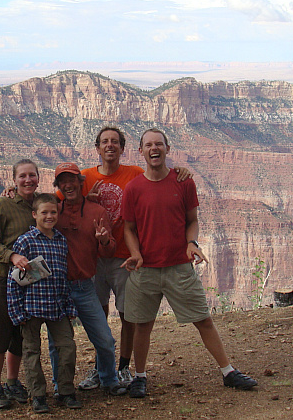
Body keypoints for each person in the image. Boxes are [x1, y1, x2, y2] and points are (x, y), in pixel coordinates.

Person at [121, 128, 258, 398]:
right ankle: (139, 377)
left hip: (178, 267)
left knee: (203, 320)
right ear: (141, 151)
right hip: (145, 268)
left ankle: (228, 372)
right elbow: (128, 228)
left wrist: (191, 243)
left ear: (167, 149)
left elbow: (192, 219)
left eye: (159, 144)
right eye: (148, 145)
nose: (154, 149)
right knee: (142, 324)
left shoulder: (183, 182)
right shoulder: (134, 188)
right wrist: (135, 253)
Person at [75, 127, 192, 389]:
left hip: (125, 258)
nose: (110, 146)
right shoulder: (84, 178)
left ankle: (124, 367)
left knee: (129, 315)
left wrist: (182, 172)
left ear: (123, 148)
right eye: (105, 142)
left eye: (115, 142)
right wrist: (13, 191)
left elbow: (161, 176)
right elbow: (54, 201)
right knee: (98, 315)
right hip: (92, 259)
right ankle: (100, 367)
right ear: (97, 148)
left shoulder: (134, 174)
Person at [48, 163, 128, 396]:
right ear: (59, 186)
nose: (68, 185)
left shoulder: (97, 212)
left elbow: (109, 251)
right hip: (58, 289)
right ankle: (60, 386)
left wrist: (103, 240)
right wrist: (10, 191)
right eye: (63, 181)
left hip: (84, 287)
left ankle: (108, 380)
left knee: (105, 340)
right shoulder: (53, 210)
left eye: (73, 180)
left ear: (80, 183)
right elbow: (31, 204)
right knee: (58, 344)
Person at [7, 193, 80, 413]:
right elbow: (14, 281)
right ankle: (37, 394)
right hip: (31, 308)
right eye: (44, 212)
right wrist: (17, 313)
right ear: (34, 215)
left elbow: (62, 276)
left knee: (67, 348)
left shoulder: (60, 240)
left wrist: (69, 306)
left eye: (53, 212)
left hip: (57, 307)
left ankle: (65, 391)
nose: (49, 216)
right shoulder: (25, 241)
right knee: (31, 352)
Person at [0, 159, 37, 409]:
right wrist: (12, 256)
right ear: (14, 180)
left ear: (38, 178)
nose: (28, 180)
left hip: (26, 283)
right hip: (2, 279)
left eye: (32, 176)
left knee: (19, 333)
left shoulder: (41, 203)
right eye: (23, 176)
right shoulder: (3, 204)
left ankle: (12, 382)